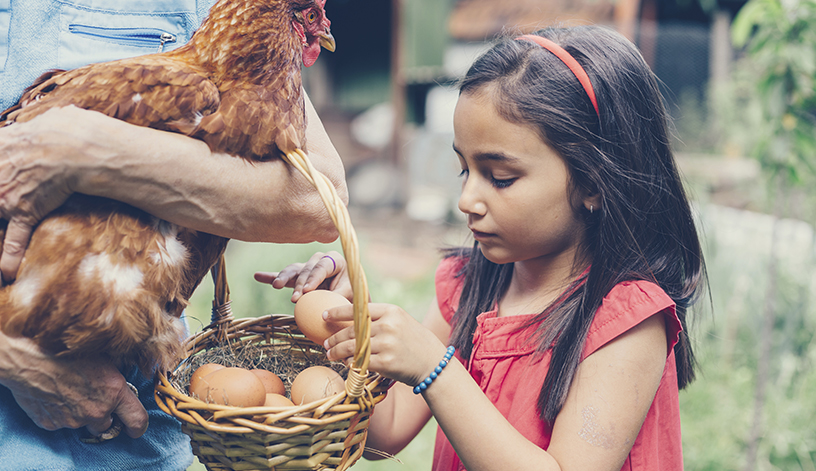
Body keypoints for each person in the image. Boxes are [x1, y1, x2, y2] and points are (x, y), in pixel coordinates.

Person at [258, 25, 707, 470]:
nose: (467, 200)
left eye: (500, 177)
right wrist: (343, 329)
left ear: (592, 182)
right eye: (463, 170)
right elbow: (386, 433)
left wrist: (435, 367)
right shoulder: (470, 285)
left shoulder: (626, 320)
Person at [0, 0, 347, 469]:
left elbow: (319, 199)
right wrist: (15, 361)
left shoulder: (245, 28)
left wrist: (84, 154)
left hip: (132, 424)